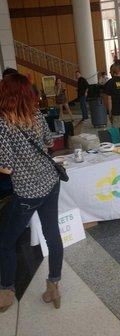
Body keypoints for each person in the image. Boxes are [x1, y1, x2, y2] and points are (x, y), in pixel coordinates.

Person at [0, 74, 63, 312]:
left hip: (27, 192)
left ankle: (6, 291)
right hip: (51, 182)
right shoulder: (36, 115)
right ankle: (54, 285)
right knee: (52, 233)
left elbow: (6, 167)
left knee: (5, 242)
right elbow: (49, 143)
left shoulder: (3, 123)